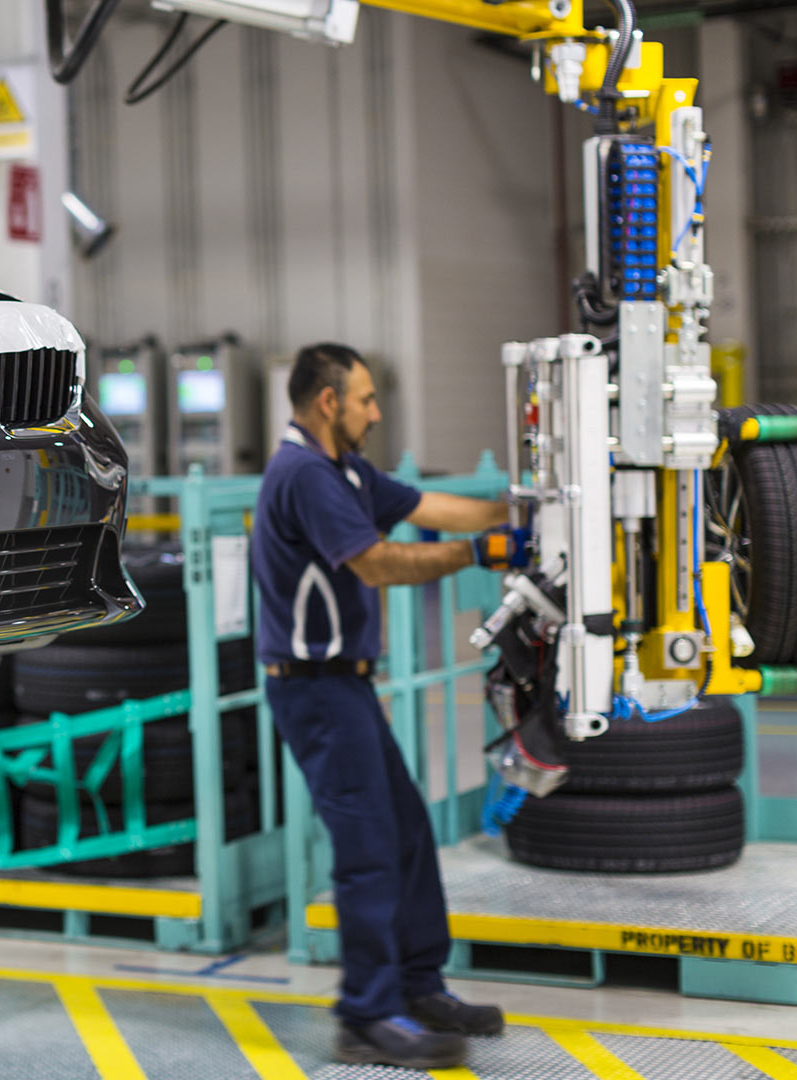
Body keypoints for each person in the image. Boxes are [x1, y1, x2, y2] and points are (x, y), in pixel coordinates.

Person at [251, 343, 527, 1069]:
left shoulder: (344, 470)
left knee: (404, 830)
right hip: (313, 688)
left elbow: (431, 504)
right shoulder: (305, 474)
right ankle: (367, 1017)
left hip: (345, 685)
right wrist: (481, 550)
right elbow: (378, 561)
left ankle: (416, 984)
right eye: (367, 399)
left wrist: (533, 512)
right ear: (327, 402)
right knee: (368, 848)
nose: (377, 412)